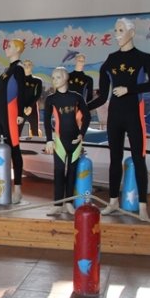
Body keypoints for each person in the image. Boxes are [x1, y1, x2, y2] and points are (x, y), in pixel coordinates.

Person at [88, 18, 150, 219]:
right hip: (115, 116)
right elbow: (103, 95)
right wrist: (83, 107)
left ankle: (143, 206)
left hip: (134, 114)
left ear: (132, 32)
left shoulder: (144, 58)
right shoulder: (110, 60)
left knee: (139, 159)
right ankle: (113, 201)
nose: (117, 34)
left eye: (121, 30)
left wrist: (129, 89)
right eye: (116, 30)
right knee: (114, 159)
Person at [43, 67, 91, 216]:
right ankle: (57, 204)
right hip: (60, 141)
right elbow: (46, 121)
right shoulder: (51, 99)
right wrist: (49, 140)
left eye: (58, 77)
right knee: (58, 172)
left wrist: (82, 134)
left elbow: (87, 116)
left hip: (75, 141)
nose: (54, 80)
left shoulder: (76, 97)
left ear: (65, 78)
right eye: (53, 77)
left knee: (72, 172)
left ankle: (69, 203)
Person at [0, 39, 26, 204]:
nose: (6, 48)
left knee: (14, 149)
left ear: (17, 49)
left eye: (9, 46)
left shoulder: (19, 69)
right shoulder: (7, 70)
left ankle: (18, 189)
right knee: (0, 150)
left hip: (11, 114)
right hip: (0, 115)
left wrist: (20, 113)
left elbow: (22, 92)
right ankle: (0, 186)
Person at [20, 60, 43, 136]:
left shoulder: (37, 81)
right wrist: (22, 107)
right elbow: (17, 94)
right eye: (25, 64)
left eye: (29, 64)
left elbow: (38, 94)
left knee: (35, 131)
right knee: (17, 130)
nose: (27, 66)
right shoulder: (18, 80)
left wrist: (30, 106)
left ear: (32, 66)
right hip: (20, 108)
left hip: (32, 107)